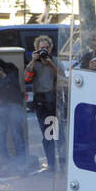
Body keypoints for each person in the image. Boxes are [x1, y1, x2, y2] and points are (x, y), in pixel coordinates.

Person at [25, 34, 63, 173]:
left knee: (58, 134)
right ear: (36, 49)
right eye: (42, 48)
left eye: (47, 48)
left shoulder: (55, 61)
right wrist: (33, 61)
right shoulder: (35, 63)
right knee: (47, 134)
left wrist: (50, 63)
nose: (45, 51)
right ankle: (51, 164)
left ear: (51, 48)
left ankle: (62, 163)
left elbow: (62, 77)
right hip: (41, 100)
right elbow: (26, 78)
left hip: (53, 99)